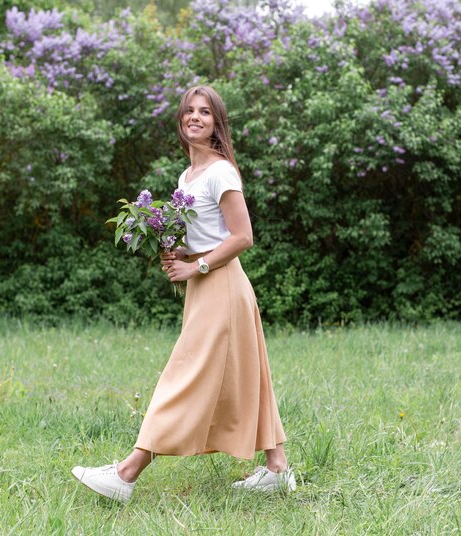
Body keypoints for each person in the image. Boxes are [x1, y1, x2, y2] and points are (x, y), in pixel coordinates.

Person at [72, 85, 295, 503]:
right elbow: (203, 232)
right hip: (205, 288)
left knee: (184, 377)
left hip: (222, 286)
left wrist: (198, 265)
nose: (195, 117)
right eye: (189, 111)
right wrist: (177, 251)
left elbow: (243, 236)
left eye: (205, 112)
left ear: (216, 124)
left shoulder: (221, 172)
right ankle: (277, 467)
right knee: (250, 374)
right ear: (180, 120)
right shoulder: (187, 176)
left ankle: (126, 472)